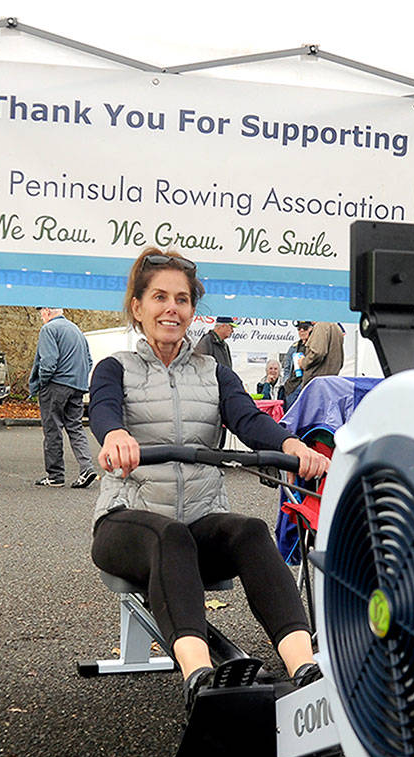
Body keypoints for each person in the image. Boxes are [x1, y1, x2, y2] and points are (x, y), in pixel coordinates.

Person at [88, 247, 331, 712]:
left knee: (251, 530)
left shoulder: (215, 373)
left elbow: (248, 419)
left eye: (181, 299)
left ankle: (305, 669)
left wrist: (291, 447)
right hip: (127, 522)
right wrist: (115, 434)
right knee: (170, 536)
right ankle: (199, 677)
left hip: (198, 524)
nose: (171, 308)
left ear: (192, 311)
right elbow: (102, 410)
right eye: (159, 297)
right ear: (137, 307)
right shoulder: (115, 369)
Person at [28, 307, 97, 489]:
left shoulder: (49, 329)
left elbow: (49, 361)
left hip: (56, 385)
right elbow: (89, 361)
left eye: (41, 311)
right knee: (75, 427)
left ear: (48, 311)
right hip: (78, 385)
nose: (41, 315)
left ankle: (55, 475)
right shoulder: (76, 330)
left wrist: (43, 382)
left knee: (52, 429)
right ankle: (86, 468)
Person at [302, 321, 344, 385]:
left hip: (317, 383)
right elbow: (340, 361)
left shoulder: (321, 326)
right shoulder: (337, 328)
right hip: (330, 382)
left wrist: (303, 362)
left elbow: (318, 352)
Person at [281, 322, 312, 408]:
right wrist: (286, 382)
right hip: (292, 387)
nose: (302, 331)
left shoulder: (314, 346)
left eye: (305, 328)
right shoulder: (294, 347)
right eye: (299, 329)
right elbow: (286, 367)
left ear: (311, 329)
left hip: (307, 385)